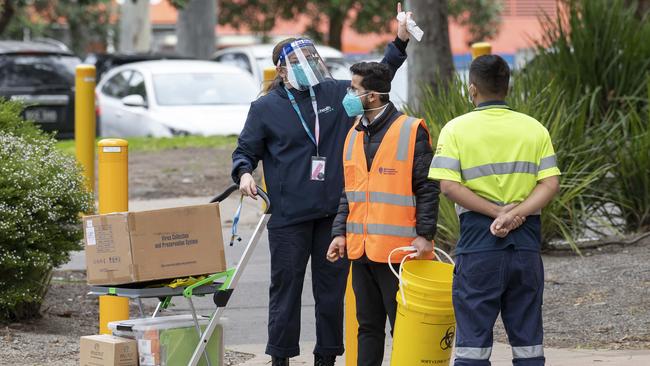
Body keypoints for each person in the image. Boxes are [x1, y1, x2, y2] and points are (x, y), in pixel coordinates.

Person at [231, 4, 413, 365]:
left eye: (311, 60)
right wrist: (244, 174)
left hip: (332, 214)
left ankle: (326, 357)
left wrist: (400, 41)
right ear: (281, 70)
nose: (308, 68)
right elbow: (244, 151)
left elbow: (378, 78)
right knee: (286, 290)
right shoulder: (265, 107)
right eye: (299, 63)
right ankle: (280, 357)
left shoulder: (333, 96)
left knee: (330, 293)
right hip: (288, 216)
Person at [428, 55, 561, 366]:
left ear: (472, 89)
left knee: (473, 346)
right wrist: (515, 214)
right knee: (529, 345)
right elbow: (550, 184)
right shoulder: (534, 129)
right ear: (507, 87)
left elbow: (447, 186)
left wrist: (495, 212)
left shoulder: (455, 129)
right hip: (525, 243)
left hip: (478, 245)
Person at [326, 61, 439, 366]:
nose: (349, 94)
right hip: (362, 250)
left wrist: (425, 236)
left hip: (399, 254)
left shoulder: (410, 131)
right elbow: (348, 193)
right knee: (368, 328)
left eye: (354, 89)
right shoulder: (354, 135)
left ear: (372, 96)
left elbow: (428, 187)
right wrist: (339, 234)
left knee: (403, 328)